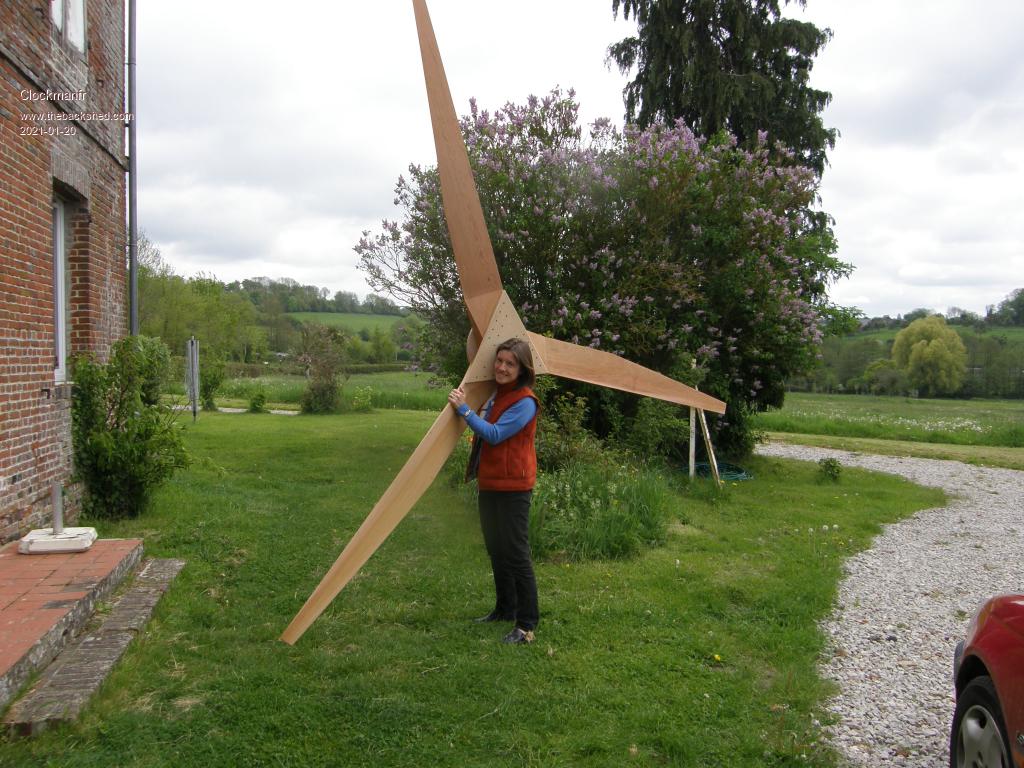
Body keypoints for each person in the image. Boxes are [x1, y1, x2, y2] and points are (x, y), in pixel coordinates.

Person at [448, 338, 540, 645]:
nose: (501, 367)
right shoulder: (496, 395)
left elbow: (495, 434)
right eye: (499, 361)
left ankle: (526, 625)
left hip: (514, 488)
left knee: (516, 555)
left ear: (522, 369)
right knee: (497, 550)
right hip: (490, 484)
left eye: (509, 363)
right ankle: (504, 610)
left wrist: (464, 410)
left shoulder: (525, 402)